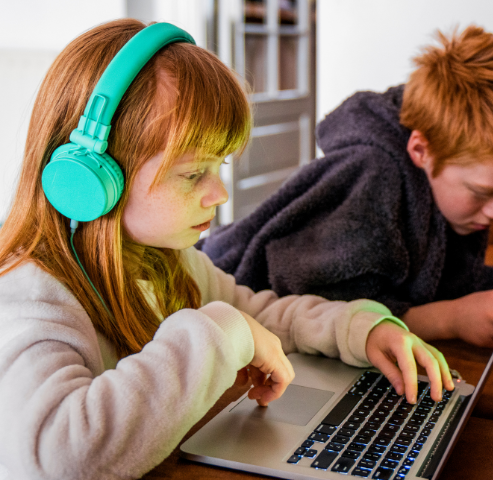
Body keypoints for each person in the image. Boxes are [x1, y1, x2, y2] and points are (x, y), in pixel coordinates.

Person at [0, 19, 454, 480]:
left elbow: (261, 316)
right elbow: (56, 459)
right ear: (89, 182)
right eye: (194, 173)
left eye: (219, 166)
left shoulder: (167, 262)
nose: (219, 194)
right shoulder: (33, 299)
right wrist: (218, 331)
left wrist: (360, 328)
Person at [198, 25, 493, 348]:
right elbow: (321, 308)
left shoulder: (446, 192)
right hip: (220, 303)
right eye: (483, 193)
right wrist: (452, 319)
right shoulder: (372, 177)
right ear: (421, 149)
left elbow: (446, 279)